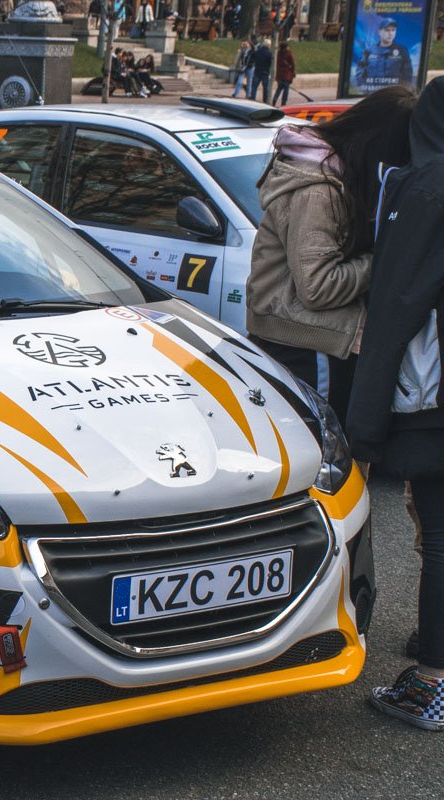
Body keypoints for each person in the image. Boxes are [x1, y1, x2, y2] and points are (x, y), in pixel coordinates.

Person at [348, 76, 444, 731]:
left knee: (439, 537)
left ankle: (433, 681)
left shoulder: (426, 186)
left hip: (435, 402)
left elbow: (396, 306)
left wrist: (366, 420)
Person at [246, 86, 416, 423]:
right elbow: (318, 287)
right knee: (324, 447)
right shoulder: (318, 190)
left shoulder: (336, 175)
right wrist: (383, 259)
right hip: (307, 348)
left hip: (314, 343)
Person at [357, 17, 413, 92]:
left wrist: (401, 93)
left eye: (393, 30)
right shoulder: (369, 51)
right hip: (372, 94)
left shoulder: (402, 51)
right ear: (379, 32)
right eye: (387, 30)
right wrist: (365, 90)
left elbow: (407, 76)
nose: (390, 33)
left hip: (393, 94)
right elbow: (360, 73)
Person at [249, 37, 273, 103]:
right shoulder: (269, 53)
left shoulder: (258, 51)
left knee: (254, 86)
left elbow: (253, 58)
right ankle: (265, 100)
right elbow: (271, 63)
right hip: (265, 72)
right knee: (265, 88)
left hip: (257, 71)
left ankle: (252, 98)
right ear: (268, 45)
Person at [273, 40, 295, 106]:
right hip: (287, 74)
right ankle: (283, 103)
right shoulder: (289, 53)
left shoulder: (279, 53)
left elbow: (277, 64)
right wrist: (293, 72)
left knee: (279, 88)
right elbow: (293, 64)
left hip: (280, 74)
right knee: (286, 90)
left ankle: (274, 100)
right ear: (286, 47)